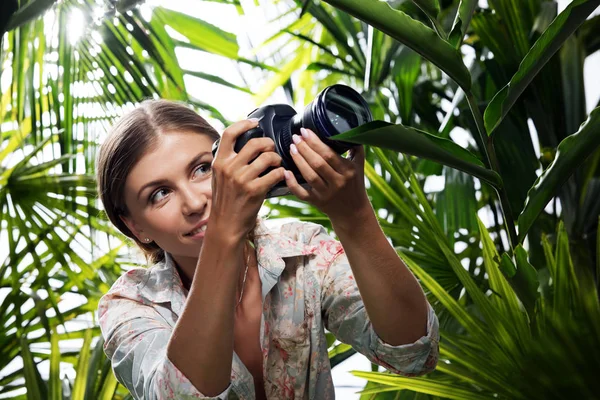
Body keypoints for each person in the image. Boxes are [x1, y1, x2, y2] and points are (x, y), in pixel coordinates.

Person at [96, 99, 439, 400]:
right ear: (135, 227)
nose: (194, 202)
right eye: (159, 194)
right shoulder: (130, 305)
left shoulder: (303, 252)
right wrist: (224, 233)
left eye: (202, 169)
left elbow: (414, 353)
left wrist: (355, 217)